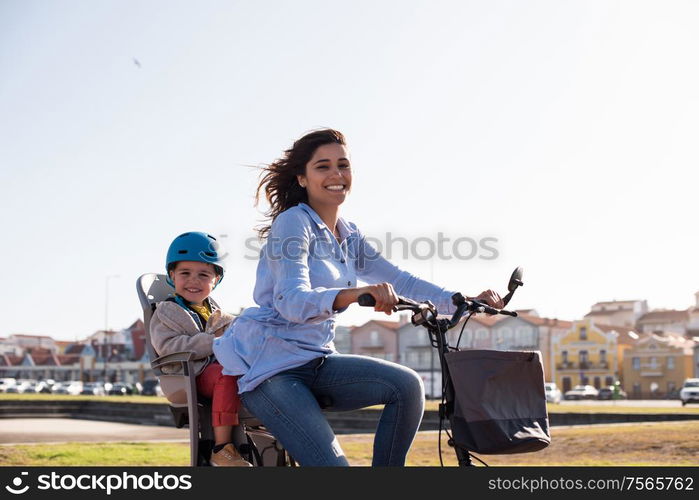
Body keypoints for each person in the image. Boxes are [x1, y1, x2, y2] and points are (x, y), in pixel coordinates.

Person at [213, 129, 503, 466]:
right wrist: (355, 293)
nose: (336, 174)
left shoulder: (348, 234)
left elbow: (397, 278)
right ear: (302, 178)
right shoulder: (292, 224)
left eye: (343, 165)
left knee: (407, 386)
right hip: (271, 368)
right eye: (323, 166)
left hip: (317, 359)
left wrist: (460, 300)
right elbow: (291, 301)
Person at [151, 231, 252, 467]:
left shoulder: (218, 314)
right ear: (172, 275)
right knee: (226, 375)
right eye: (185, 273)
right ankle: (221, 448)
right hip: (187, 375)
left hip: (217, 373)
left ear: (216, 280)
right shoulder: (166, 312)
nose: (193, 281)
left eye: (203, 274)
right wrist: (213, 341)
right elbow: (167, 347)